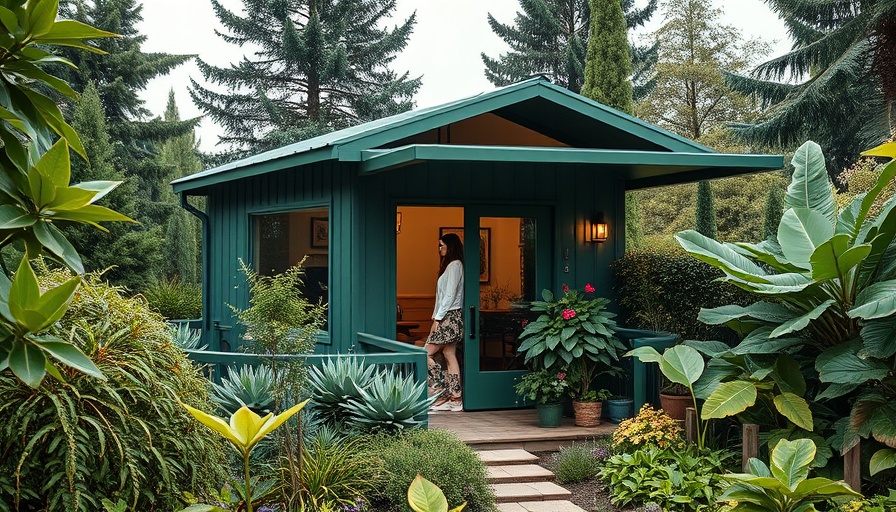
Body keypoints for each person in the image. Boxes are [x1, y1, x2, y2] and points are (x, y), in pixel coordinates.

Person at [428, 233, 464, 412]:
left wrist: (438, 318)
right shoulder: (450, 266)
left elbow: (449, 295)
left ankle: (441, 391)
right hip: (447, 316)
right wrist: (435, 317)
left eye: (441, 245)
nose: (439, 248)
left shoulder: (455, 265)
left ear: (450, 246)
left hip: (449, 317)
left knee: (424, 353)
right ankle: (455, 399)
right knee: (449, 356)